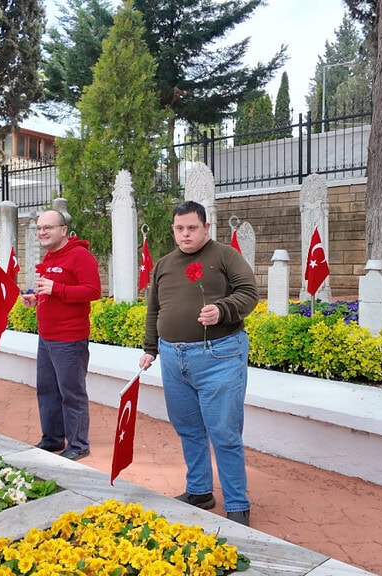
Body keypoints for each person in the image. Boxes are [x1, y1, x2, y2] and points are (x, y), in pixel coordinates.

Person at [138, 201, 259, 526]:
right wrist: (151, 347)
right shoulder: (164, 263)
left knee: (223, 431)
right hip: (174, 359)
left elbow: (249, 292)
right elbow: (154, 308)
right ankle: (200, 491)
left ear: (206, 227)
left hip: (219, 356)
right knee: (189, 429)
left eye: (192, 227)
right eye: (179, 228)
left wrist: (223, 309)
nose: (185, 234)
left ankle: (237, 503)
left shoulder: (224, 256)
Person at [20, 210, 101, 461]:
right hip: (47, 336)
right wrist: (37, 298)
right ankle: (53, 438)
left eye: (48, 227)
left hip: (69, 338)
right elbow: (53, 291)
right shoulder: (51, 256)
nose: (42, 232)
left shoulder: (80, 255)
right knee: (47, 389)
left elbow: (93, 290)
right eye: (40, 228)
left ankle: (78, 444)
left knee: (71, 391)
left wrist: (57, 289)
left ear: (63, 230)